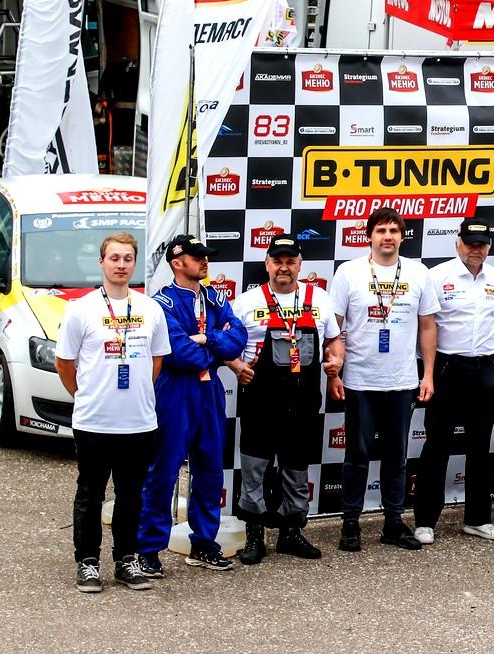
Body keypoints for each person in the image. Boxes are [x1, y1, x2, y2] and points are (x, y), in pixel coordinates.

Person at [54, 231, 171, 593]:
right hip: (94, 421)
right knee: (90, 494)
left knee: (131, 495)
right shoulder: (81, 309)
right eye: (114, 258)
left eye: (127, 259)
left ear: (135, 264)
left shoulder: (150, 309)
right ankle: (88, 562)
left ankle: (126, 559)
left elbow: (156, 361)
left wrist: (135, 394)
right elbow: (64, 363)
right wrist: (85, 395)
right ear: (102, 262)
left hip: (138, 422)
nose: (121, 265)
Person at [326, 207, 439, 552]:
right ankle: (350, 523)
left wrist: (428, 374)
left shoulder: (419, 272)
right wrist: (334, 371)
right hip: (360, 380)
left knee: (396, 457)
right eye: (381, 230)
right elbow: (333, 326)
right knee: (357, 455)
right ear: (369, 236)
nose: (387, 236)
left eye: (393, 230)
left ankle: (393, 523)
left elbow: (427, 326)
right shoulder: (349, 272)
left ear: (402, 236)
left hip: (402, 381)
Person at [136, 234, 248, 576]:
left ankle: (203, 544)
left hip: (209, 389)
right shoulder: (162, 303)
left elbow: (238, 338)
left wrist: (206, 338)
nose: (204, 261)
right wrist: (216, 347)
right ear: (177, 262)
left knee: (210, 469)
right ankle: (148, 549)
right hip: (175, 391)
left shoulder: (214, 297)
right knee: (164, 470)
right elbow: (180, 353)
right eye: (197, 257)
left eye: (205, 256)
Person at [228, 234, 337, 565]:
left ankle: (290, 532)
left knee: (296, 465)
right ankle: (254, 534)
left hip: (303, 399)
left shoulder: (319, 299)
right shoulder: (247, 302)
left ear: (300, 265)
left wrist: (336, 362)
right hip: (260, 399)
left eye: (290, 261)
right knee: (255, 467)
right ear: (267, 264)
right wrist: (236, 366)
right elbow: (224, 342)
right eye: (277, 261)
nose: (284, 267)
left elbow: (334, 340)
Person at [415, 218, 494, 544]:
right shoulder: (438, 276)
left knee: (480, 445)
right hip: (447, 367)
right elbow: (426, 326)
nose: (475, 249)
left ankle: (478, 519)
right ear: (458, 243)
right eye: (470, 243)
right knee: (436, 444)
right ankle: (425, 521)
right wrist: (429, 371)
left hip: (485, 367)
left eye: (481, 244)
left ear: (489, 247)